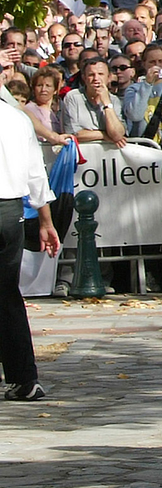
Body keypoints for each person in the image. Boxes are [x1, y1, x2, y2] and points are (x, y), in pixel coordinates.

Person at [0, 95, 59, 401]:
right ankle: (25, 378)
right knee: (7, 294)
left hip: (9, 209)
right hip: (9, 212)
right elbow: (36, 175)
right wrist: (45, 221)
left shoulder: (17, 118)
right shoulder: (17, 119)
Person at [60, 58, 126, 147]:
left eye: (101, 74)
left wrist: (107, 103)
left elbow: (117, 135)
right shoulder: (73, 97)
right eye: (91, 75)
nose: (96, 78)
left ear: (109, 77)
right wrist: (104, 135)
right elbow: (73, 133)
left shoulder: (114, 100)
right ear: (84, 78)